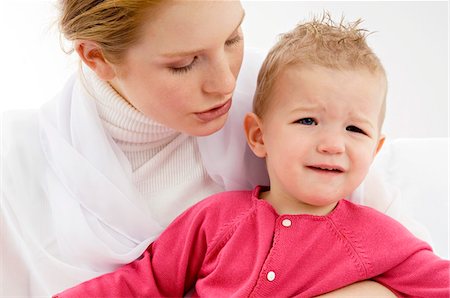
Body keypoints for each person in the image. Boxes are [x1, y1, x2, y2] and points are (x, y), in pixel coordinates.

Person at [0, 1, 427, 296]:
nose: (226, 83)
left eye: (233, 37)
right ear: (96, 58)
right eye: (183, 64)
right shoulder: (25, 172)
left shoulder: (295, 90)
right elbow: (145, 280)